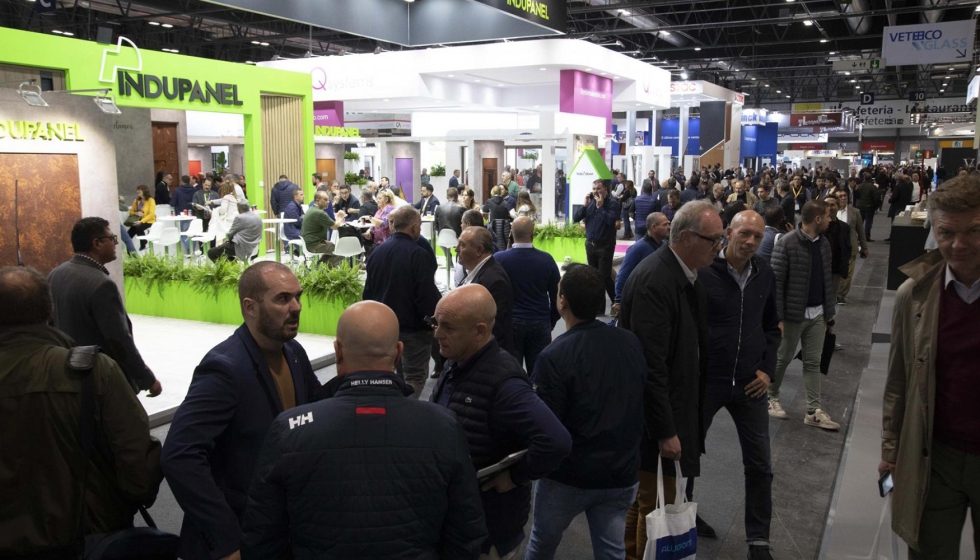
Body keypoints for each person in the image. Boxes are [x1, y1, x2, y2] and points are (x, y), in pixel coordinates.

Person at [241, 301, 487, 559]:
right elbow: (467, 531)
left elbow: (261, 535)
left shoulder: (288, 428)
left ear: (338, 351)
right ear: (398, 352)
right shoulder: (444, 425)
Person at [162, 262, 322, 560]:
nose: (297, 307)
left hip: (278, 529)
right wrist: (225, 541)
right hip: (238, 535)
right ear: (250, 306)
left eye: (298, 296)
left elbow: (317, 407)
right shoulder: (224, 368)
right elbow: (180, 454)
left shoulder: (293, 352)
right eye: (283, 299)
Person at [0, 266, 163, 558]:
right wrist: (125, 503)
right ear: (50, 311)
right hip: (86, 535)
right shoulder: (93, 372)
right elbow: (137, 458)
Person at [430, 285, 572, 560]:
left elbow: (556, 440)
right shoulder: (457, 361)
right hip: (460, 520)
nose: (437, 334)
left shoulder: (504, 383)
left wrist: (515, 477)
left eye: (447, 327)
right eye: (436, 323)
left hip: (487, 530)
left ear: (480, 331)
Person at [880, 176, 980, 559]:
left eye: (973, 230)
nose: (959, 244)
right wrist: (890, 449)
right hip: (935, 454)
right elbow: (898, 381)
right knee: (928, 550)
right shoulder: (915, 295)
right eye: (946, 232)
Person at [619, 200, 724, 559]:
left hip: (673, 410)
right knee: (652, 504)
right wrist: (666, 429)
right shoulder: (657, 280)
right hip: (658, 420)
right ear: (688, 237)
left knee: (649, 500)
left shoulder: (685, 274)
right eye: (714, 240)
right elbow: (652, 365)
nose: (718, 248)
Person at [525, 264, 647, 560]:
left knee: (542, 544)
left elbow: (547, 427)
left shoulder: (554, 356)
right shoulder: (630, 341)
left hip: (569, 476)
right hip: (622, 471)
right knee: (612, 549)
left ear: (562, 300)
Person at [698, 211, 781, 560]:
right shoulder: (704, 273)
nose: (750, 242)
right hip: (708, 381)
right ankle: (685, 513)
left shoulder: (765, 274)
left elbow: (771, 327)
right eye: (745, 233)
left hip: (751, 383)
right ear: (729, 232)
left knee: (760, 463)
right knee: (687, 453)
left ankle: (758, 540)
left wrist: (767, 370)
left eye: (757, 237)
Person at [48, 218, 161, 396]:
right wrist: (146, 378)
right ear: (97, 243)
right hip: (99, 379)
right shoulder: (101, 284)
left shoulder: (55, 274)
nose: (116, 243)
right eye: (112, 238)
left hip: (66, 375)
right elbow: (118, 341)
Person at [767, 200, 841, 430]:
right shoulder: (787, 243)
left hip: (818, 314)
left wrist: (829, 314)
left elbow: (826, 280)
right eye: (827, 216)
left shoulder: (824, 244)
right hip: (792, 315)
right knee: (782, 359)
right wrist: (777, 317)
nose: (830, 219)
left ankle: (813, 410)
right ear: (817, 219)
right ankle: (771, 398)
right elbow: (776, 283)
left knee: (813, 362)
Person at [363, 206, 442, 398]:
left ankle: (393, 413)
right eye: (420, 226)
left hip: (384, 329)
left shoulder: (376, 253)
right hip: (413, 331)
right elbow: (426, 295)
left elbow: (368, 294)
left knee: (394, 376)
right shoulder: (418, 254)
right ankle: (404, 417)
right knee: (414, 378)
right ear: (414, 227)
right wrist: (436, 319)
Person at [494, 217, 560, 374]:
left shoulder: (499, 259)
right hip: (539, 321)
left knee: (510, 372)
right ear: (533, 234)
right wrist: (551, 320)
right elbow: (557, 295)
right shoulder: (547, 260)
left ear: (511, 234)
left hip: (510, 324)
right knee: (539, 373)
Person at [456, 226, 516, 353]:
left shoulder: (494, 281)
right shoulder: (477, 273)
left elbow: (494, 331)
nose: (456, 249)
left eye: (462, 245)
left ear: (479, 250)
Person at [573, 179, 620, 314]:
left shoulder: (612, 204)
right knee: (594, 277)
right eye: (594, 188)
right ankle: (599, 308)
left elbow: (612, 222)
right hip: (591, 245)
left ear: (605, 189)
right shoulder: (590, 203)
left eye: (598, 188)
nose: (596, 191)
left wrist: (600, 208)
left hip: (605, 245)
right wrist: (584, 205)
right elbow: (576, 218)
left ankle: (616, 301)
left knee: (604, 276)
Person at [612, 212, 670, 319]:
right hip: (640, 301)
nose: (668, 227)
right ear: (654, 227)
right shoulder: (637, 249)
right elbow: (623, 274)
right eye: (665, 225)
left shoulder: (664, 246)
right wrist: (619, 300)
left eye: (668, 224)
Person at [835, 191, 869, 304]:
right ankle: (833, 293)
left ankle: (841, 295)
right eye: (840, 196)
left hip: (850, 246)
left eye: (845, 196)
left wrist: (864, 247)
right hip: (834, 246)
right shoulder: (830, 211)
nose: (843, 198)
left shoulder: (855, 212)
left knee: (848, 273)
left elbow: (860, 230)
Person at [299, 191, 345, 267]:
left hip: (310, 243)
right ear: (317, 200)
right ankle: (323, 269)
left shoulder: (311, 209)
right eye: (325, 200)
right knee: (342, 250)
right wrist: (340, 216)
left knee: (334, 247)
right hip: (314, 245)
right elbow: (335, 227)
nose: (328, 202)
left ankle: (320, 267)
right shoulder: (319, 213)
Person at [823, 197, 853, 306]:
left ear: (838, 207)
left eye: (832, 205)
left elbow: (847, 246)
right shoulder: (818, 226)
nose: (829, 208)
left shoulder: (844, 227)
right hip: (821, 268)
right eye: (826, 204)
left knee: (831, 300)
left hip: (836, 268)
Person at [127, 184, 156, 250]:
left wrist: (141, 221)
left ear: (144, 191)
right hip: (137, 220)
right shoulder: (136, 201)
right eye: (137, 190)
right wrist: (136, 213)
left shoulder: (151, 200)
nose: (138, 192)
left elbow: (151, 214)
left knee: (138, 228)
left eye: (139, 190)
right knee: (128, 236)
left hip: (148, 221)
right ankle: (130, 253)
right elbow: (131, 212)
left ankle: (143, 244)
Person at [854, 173, 878, 241]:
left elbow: (856, 195)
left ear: (864, 178)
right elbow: (876, 198)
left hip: (859, 206)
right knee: (868, 222)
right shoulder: (873, 187)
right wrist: (876, 206)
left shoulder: (859, 186)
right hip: (869, 206)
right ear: (871, 178)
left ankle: (858, 236)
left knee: (859, 222)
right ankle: (867, 236)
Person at [282, 187, 305, 255]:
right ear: (296, 197)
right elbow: (298, 222)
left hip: (296, 229)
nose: (304, 196)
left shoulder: (298, 206)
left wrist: (301, 218)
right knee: (310, 235)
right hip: (292, 231)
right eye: (301, 194)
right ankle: (303, 254)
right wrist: (302, 218)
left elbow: (304, 216)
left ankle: (300, 253)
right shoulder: (292, 207)